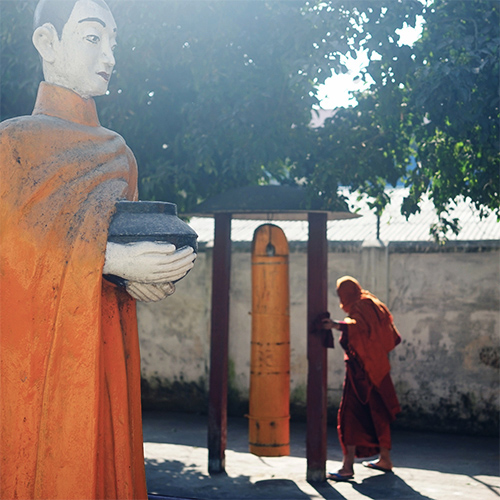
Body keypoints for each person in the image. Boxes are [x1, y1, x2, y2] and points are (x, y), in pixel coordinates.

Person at [0, 0, 196, 498]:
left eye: (113, 41)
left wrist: (143, 277)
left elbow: (116, 247)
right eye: (92, 37)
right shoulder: (10, 145)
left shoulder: (120, 154)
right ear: (47, 42)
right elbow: (12, 247)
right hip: (28, 359)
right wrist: (108, 259)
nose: (109, 54)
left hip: (103, 345)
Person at [322, 276, 401, 481]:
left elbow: (357, 326)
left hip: (361, 371)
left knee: (350, 416)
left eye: (341, 294)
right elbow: (388, 335)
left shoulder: (361, 306)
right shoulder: (373, 303)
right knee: (379, 413)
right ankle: (385, 459)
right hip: (378, 368)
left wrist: (336, 325)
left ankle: (347, 467)